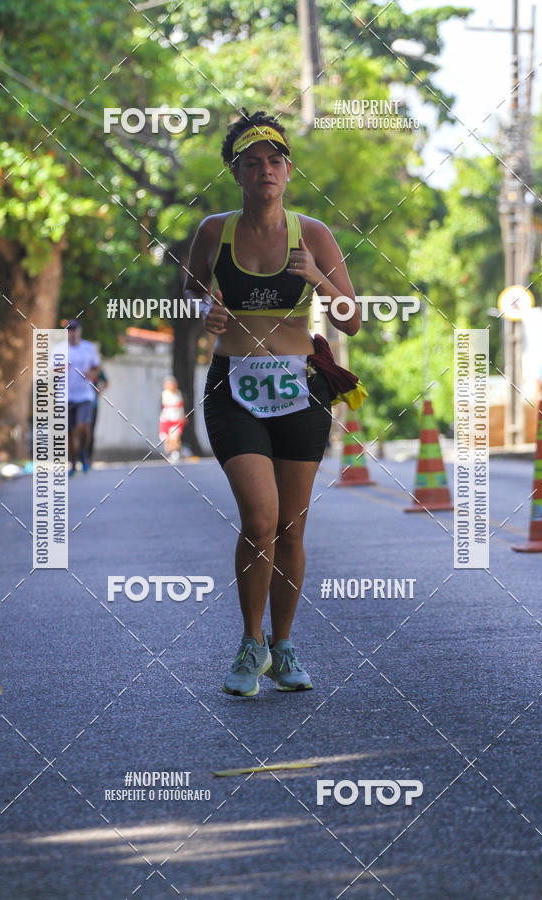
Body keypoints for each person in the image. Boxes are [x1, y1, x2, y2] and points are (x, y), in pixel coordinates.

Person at [184, 109, 367, 697]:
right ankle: (250, 641)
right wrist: (205, 309)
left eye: (275, 161)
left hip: (299, 389)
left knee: (290, 528)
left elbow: (353, 320)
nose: (266, 170)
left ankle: (283, 645)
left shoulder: (312, 234)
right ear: (236, 174)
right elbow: (190, 289)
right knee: (259, 520)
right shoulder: (215, 232)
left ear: (288, 171)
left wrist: (319, 277)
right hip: (232, 386)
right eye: (252, 163)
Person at [66, 319, 100, 474]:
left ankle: (84, 453)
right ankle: (73, 462)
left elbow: (97, 368)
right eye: (69, 330)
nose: (71, 332)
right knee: (70, 432)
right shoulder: (60, 349)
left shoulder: (88, 348)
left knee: (82, 428)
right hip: (66, 396)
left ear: (79, 330)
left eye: (74, 329)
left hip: (85, 396)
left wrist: (91, 374)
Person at [159, 376, 185, 463]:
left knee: (175, 437)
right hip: (167, 420)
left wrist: (183, 416)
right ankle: (170, 453)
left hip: (176, 421)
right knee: (167, 439)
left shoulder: (178, 394)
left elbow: (181, 407)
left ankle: (176, 453)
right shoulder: (164, 394)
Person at [88, 368, 109, 462]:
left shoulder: (97, 368)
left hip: (92, 404)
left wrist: (99, 390)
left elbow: (106, 382)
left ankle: (88, 457)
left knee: (90, 430)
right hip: (76, 403)